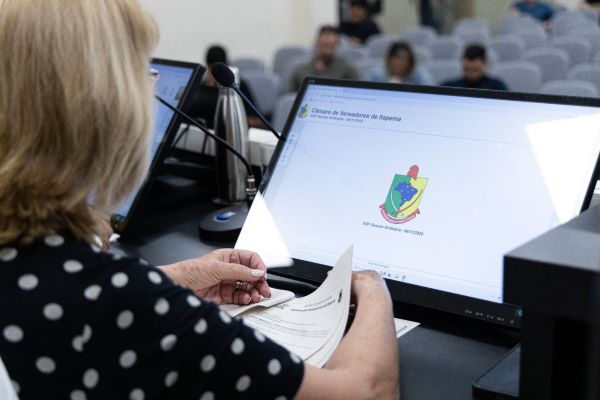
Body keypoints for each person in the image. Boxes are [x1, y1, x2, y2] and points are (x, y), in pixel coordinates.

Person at [0, 1, 400, 399]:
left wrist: (177, 278)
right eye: (143, 74)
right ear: (105, 110)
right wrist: (371, 287)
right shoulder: (127, 307)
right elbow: (367, 392)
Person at [290, 26, 360, 91]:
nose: (327, 47)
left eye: (330, 45)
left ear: (337, 43)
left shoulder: (347, 69)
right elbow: (291, 95)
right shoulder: (302, 69)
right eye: (325, 44)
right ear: (317, 41)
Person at [366, 41, 434, 85]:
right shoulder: (374, 74)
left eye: (403, 59)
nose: (399, 63)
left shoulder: (420, 74)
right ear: (389, 60)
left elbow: (430, 95)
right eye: (396, 58)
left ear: (410, 62)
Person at [443, 45, 508, 91]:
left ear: (485, 64)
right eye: (466, 69)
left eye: (475, 70)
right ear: (462, 64)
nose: (470, 73)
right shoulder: (449, 87)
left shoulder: (497, 87)